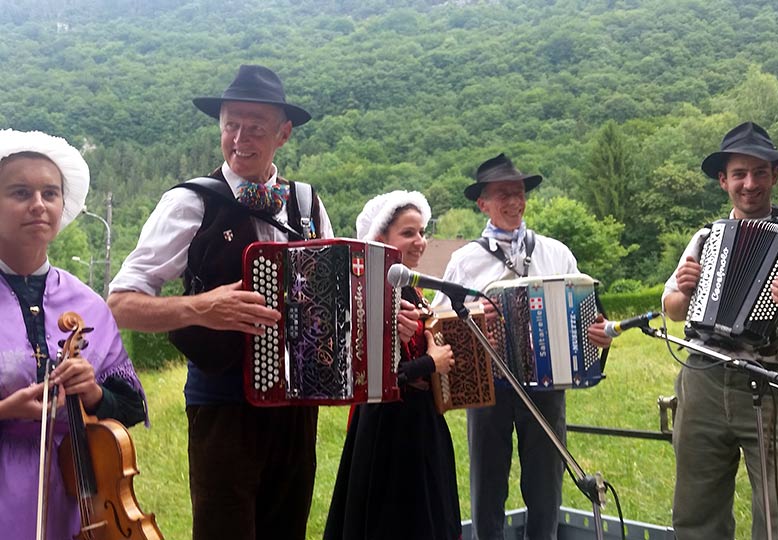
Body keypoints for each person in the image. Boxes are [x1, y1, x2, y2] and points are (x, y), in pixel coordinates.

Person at [107, 64, 333, 540]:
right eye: (231, 124)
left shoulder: (308, 204)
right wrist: (200, 307)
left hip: (298, 407)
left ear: (284, 133)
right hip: (223, 406)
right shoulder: (191, 202)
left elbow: (335, 299)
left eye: (255, 126)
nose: (240, 138)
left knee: (286, 530)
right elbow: (121, 303)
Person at [432, 153, 612, 540]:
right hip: (488, 384)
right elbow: (440, 324)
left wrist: (595, 333)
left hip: (547, 385)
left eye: (517, 193)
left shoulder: (556, 252)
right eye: (502, 195)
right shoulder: (464, 261)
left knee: (546, 483)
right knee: (487, 483)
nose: (513, 201)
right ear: (482, 203)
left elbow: (585, 313)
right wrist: (477, 318)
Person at [662, 121, 778, 540]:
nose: (750, 184)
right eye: (739, 175)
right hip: (704, 378)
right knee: (696, 510)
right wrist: (687, 292)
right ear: (723, 180)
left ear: (774, 176)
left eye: (760, 172)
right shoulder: (706, 237)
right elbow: (672, 308)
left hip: (776, 380)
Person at [0, 129, 147, 539]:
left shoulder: (87, 304)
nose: (38, 206)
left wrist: (95, 394)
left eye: (50, 193)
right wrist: (5, 410)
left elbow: (130, 407)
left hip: (77, 496)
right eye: (19, 193)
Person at [323, 190, 462, 540]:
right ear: (381, 239)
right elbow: (378, 377)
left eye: (421, 232)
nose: (420, 241)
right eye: (408, 233)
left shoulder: (412, 291)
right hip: (391, 429)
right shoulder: (373, 295)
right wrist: (431, 362)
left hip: (421, 423)